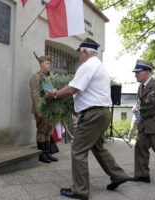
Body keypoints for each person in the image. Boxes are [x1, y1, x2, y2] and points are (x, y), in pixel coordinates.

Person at [46, 42, 128, 200]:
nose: (78, 56)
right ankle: (118, 175)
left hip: (93, 114)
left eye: (79, 53)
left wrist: (54, 94)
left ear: (84, 51)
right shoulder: (99, 66)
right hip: (102, 112)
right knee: (98, 148)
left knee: (78, 149)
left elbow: (72, 89)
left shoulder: (87, 66)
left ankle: (80, 190)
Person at [30, 55, 58, 163]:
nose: (49, 65)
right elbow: (34, 95)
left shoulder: (49, 78)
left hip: (49, 109)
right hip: (41, 108)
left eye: (49, 63)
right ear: (41, 64)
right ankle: (42, 155)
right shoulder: (36, 77)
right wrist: (39, 109)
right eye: (47, 63)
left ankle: (47, 153)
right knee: (42, 131)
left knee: (48, 131)